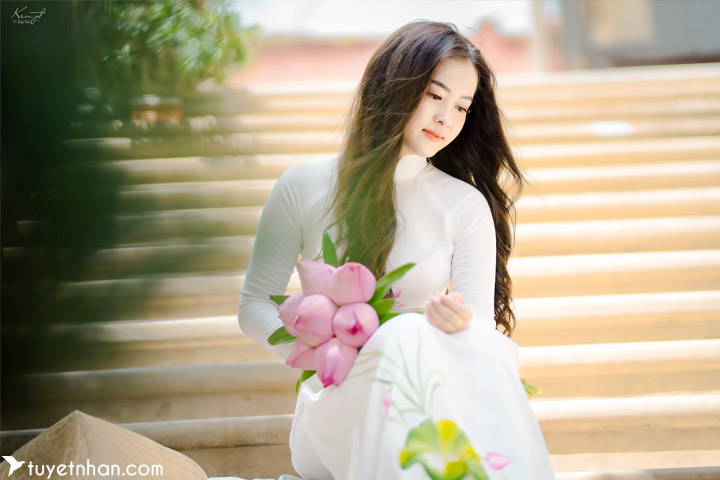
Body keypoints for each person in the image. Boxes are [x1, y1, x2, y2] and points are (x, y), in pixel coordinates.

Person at [238, 21, 555, 479]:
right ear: (395, 86)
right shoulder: (302, 187)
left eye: (462, 106)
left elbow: (480, 333)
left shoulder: (463, 206)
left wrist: (460, 323)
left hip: (429, 402)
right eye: (435, 95)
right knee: (400, 336)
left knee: (408, 337)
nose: (447, 117)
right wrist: (326, 352)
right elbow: (254, 305)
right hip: (333, 409)